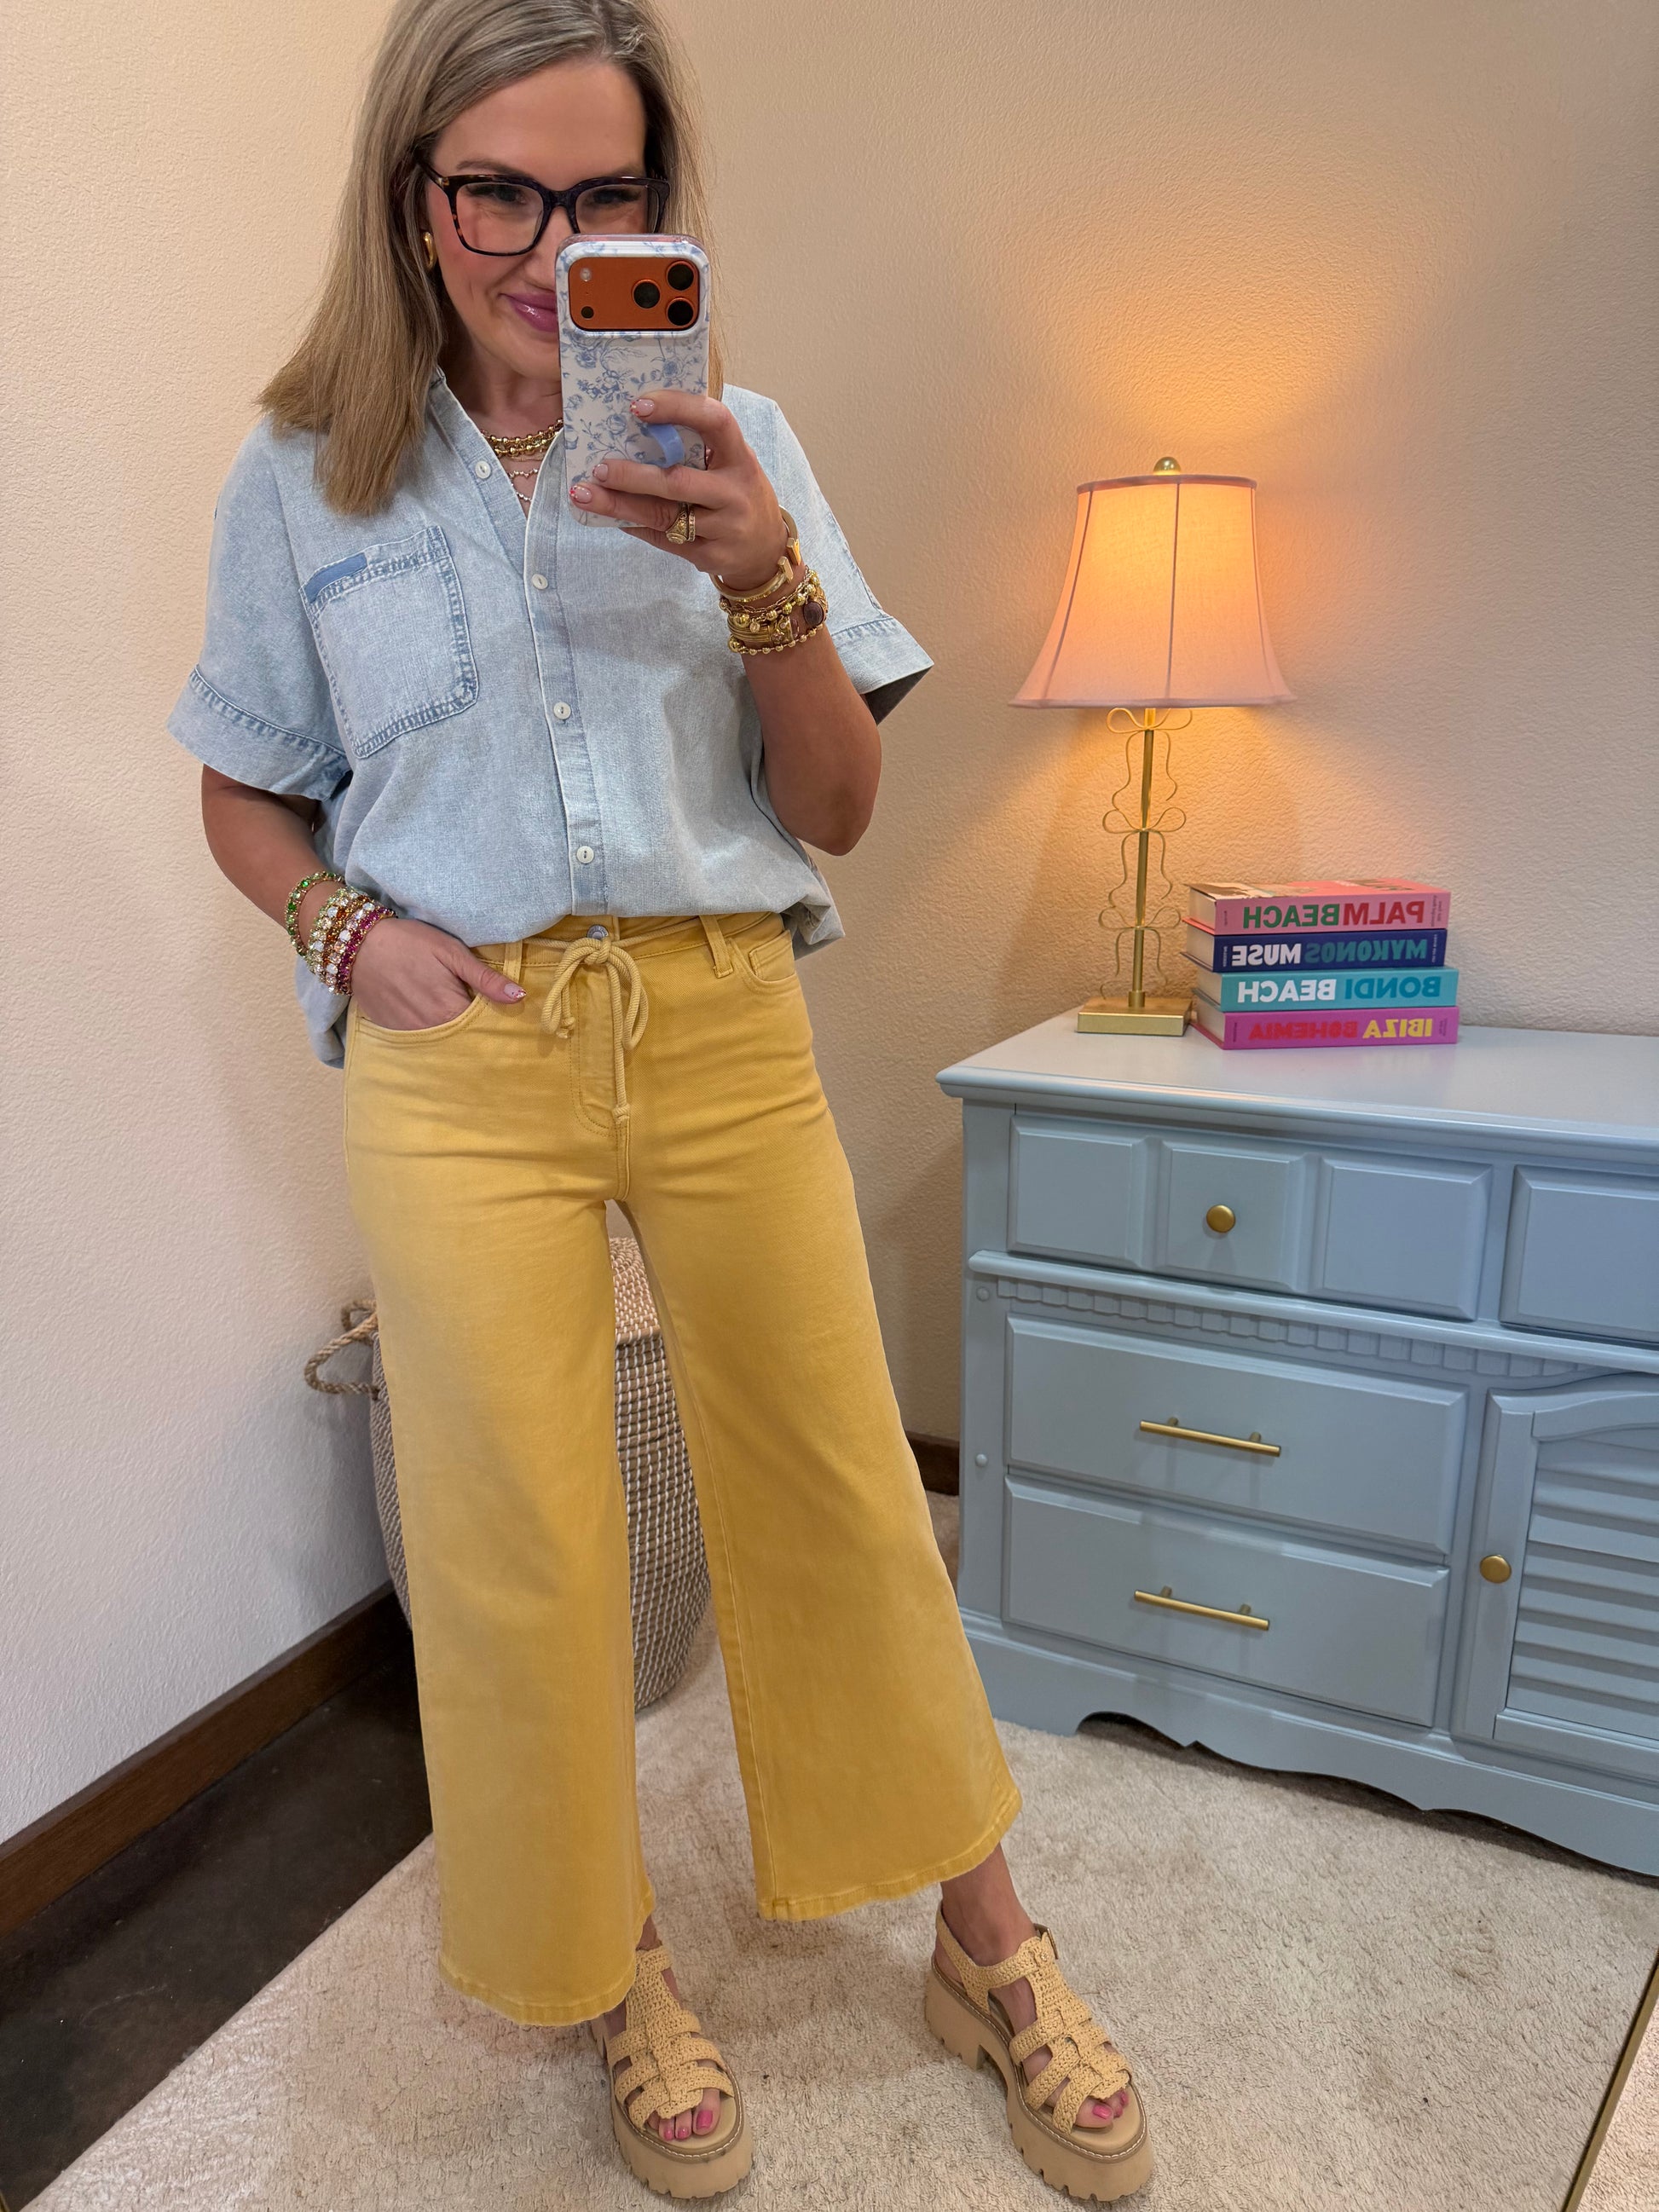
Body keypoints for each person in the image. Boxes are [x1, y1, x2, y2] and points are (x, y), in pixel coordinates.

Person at [171, 0, 1153, 2198]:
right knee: (518, 1540)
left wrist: (757, 573)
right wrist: (343, 931)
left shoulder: (740, 437)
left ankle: (986, 1941)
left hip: (719, 1021)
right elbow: (243, 785)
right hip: (464, 1053)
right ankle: (615, 1963)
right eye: (499, 195)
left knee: (843, 1490)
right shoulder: (304, 475)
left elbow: (840, 805)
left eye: (606, 198)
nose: (552, 250)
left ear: (659, 214)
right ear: (413, 203)